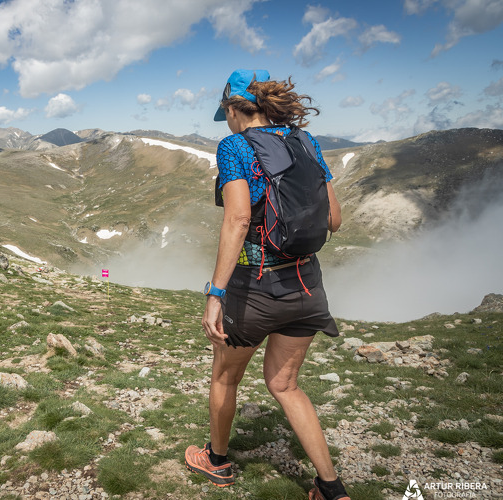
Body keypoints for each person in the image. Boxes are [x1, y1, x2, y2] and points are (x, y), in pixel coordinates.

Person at [184, 69, 350, 500]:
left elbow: (238, 219)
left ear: (235, 109)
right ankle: (331, 489)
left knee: (225, 377)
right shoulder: (306, 142)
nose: (227, 122)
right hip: (307, 286)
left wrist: (215, 294)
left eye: (226, 114)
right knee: (285, 384)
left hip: (253, 289)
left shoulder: (234, 146)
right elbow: (335, 220)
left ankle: (217, 462)